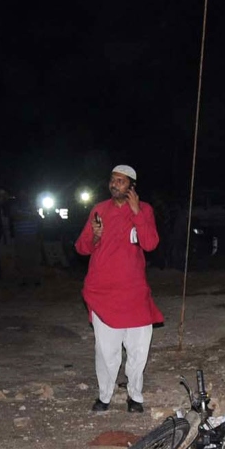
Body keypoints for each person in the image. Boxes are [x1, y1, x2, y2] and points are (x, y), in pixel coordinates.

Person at [74, 164, 161, 413]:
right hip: (104, 292)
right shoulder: (99, 210)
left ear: (132, 186)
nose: (115, 184)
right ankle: (105, 396)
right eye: (113, 180)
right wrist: (95, 235)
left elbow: (150, 243)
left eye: (121, 181)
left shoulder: (144, 210)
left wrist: (137, 213)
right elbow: (81, 247)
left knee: (138, 349)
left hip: (134, 293)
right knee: (106, 351)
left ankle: (135, 396)